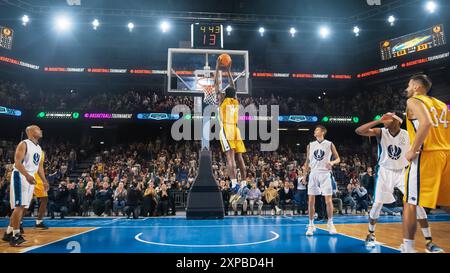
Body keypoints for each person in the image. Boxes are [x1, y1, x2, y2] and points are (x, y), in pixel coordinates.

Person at [356, 110, 443, 252]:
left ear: (397, 121)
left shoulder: (408, 134)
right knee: (377, 205)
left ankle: (429, 242)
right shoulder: (381, 132)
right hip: (384, 172)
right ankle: (370, 234)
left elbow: (419, 147)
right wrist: (378, 121)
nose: (385, 120)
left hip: (403, 172)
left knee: (417, 205)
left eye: (388, 118)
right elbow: (359, 131)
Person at [402, 74, 450, 253]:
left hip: (428, 155)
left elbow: (426, 123)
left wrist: (412, 149)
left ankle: (408, 248)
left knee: (409, 202)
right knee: (447, 203)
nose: (407, 88)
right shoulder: (440, 104)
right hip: (446, 154)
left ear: (416, 86)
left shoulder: (414, 101)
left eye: (409, 84)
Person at [3, 125, 45, 246]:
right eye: (38, 129)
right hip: (20, 175)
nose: (40, 130)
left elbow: (40, 167)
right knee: (19, 206)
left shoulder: (39, 148)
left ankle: (8, 233)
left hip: (30, 177)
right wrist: (26, 175)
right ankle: (15, 236)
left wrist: (44, 181)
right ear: (31, 132)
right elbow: (17, 162)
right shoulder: (24, 143)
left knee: (24, 207)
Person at [214, 58, 246, 191]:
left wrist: (217, 66)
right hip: (236, 130)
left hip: (227, 129)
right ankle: (244, 184)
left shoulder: (223, 100)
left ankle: (234, 184)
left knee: (230, 158)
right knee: (240, 158)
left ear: (224, 95)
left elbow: (216, 84)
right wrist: (228, 70)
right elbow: (233, 85)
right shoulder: (235, 101)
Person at [303, 125, 341, 236]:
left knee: (328, 200)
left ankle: (330, 223)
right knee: (311, 201)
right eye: (315, 130)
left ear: (322, 132)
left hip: (325, 174)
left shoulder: (329, 144)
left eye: (317, 130)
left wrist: (332, 163)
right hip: (313, 173)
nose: (314, 131)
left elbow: (338, 158)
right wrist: (305, 176)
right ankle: (311, 225)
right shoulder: (310, 145)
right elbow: (307, 161)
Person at [31, 151, 49, 229]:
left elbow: (40, 167)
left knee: (45, 199)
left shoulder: (42, 152)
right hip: (29, 176)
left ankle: (39, 221)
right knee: (26, 203)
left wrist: (44, 180)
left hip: (39, 178)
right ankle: (19, 224)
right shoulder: (26, 146)